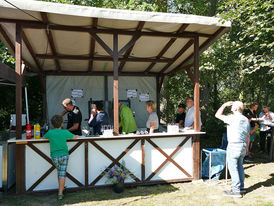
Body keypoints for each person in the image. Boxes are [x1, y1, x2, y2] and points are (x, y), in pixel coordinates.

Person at [215, 101, 250, 198]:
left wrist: (224, 105)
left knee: (233, 168)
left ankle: (236, 191)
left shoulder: (232, 118)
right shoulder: (246, 119)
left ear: (235, 108)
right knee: (240, 166)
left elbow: (217, 115)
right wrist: (247, 148)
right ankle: (241, 188)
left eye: (232, 105)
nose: (231, 106)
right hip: (243, 145)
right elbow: (248, 135)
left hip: (234, 145)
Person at [43, 115, 77, 200]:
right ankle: (60, 193)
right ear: (62, 123)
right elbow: (74, 137)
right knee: (62, 174)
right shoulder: (65, 132)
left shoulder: (50, 132)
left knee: (60, 172)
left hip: (54, 156)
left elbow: (43, 138)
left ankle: (60, 189)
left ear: (52, 124)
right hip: (64, 155)